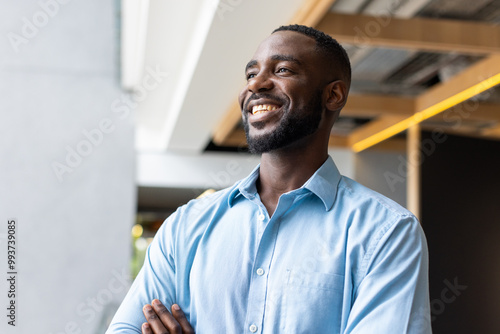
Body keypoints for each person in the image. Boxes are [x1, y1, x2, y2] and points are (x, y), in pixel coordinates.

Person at [107, 25, 431, 334]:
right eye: (251, 74)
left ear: (333, 95)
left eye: (282, 70)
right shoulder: (186, 226)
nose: (255, 84)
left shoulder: (386, 232)